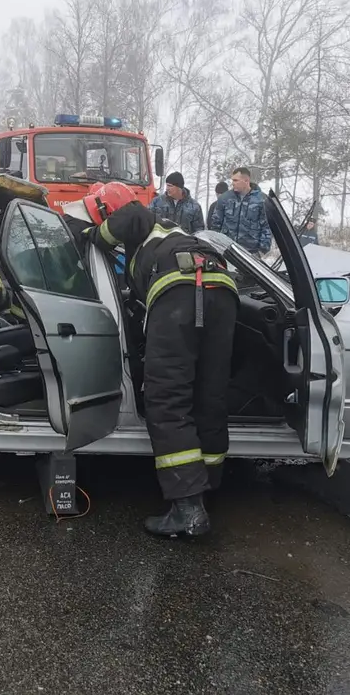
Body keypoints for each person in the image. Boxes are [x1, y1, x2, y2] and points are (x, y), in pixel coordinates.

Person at [81, 181, 238, 538]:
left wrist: (95, 237)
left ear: (108, 211)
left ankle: (188, 510)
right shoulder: (171, 232)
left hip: (183, 290)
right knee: (209, 395)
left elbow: (133, 213)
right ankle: (207, 486)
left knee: (166, 398)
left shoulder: (142, 219)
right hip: (220, 289)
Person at [209, 167, 271, 258]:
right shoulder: (225, 198)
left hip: (251, 254)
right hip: (227, 251)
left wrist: (261, 252)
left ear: (246, 181)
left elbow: (267, 227)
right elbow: (215, 224)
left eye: (236, 180)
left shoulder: (261, 200)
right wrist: (216, 247)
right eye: (232, 180)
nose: (232, 183)